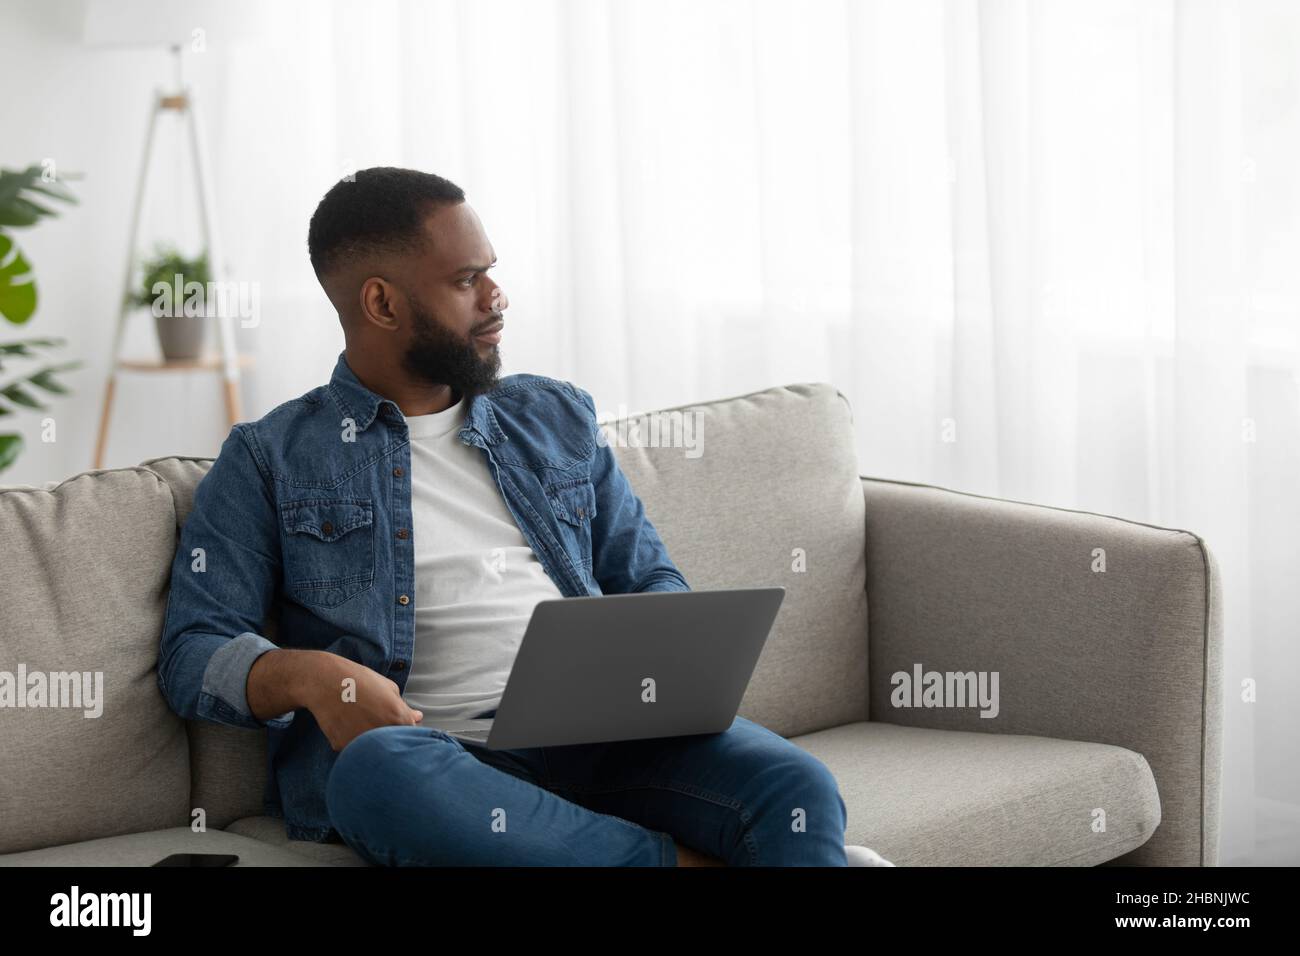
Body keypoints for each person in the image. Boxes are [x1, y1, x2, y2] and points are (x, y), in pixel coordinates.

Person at [156, 166, 888, 867]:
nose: (496, 297)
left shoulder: (554, 415)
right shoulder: (270, 458)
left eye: (490, 271)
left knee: (796, 786)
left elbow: (647, 575)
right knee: (373, 774)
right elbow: (193, 652)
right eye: (466, 280)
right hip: (440, 762)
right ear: (382, 304)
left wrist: (658, 666)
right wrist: (313, 677)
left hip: (607, 743)